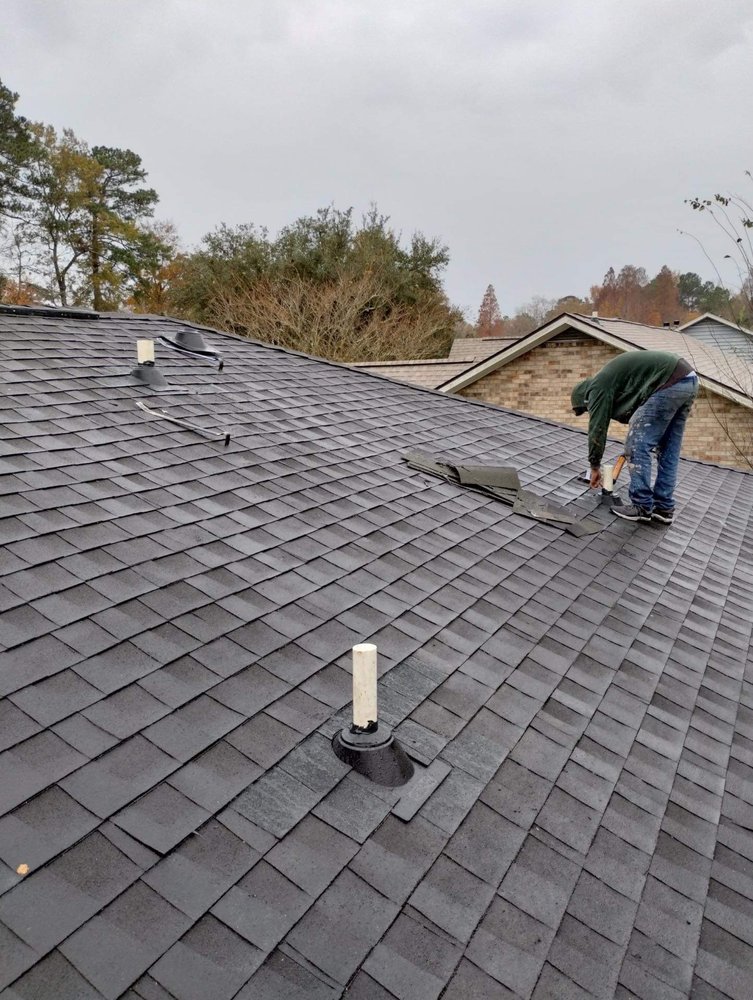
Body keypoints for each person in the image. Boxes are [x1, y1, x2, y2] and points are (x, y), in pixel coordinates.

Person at [571, 350, 699, 524]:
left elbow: (598, 428)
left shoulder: (597, 388)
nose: (590, 411)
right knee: (668, 448)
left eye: (587, 409)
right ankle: (663, 508)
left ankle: (642, 506)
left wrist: (594, 466)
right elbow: (631, 408)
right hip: (687, 380)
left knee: (636, 444)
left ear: (585, 399)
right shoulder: (610, 382)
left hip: (668, 382)